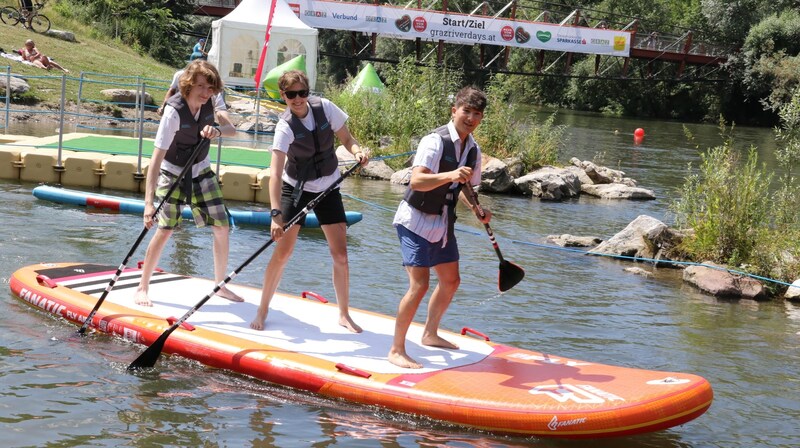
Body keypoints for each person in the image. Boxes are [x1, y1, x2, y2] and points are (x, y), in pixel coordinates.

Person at [249, 69, 368, 333]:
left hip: (328, 186)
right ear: (283, 96)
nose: (298, 99)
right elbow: (276, 174)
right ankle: (263, 308)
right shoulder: (284, 127)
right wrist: (275, 215)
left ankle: (344, 314)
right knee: (284, 253)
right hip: (296, 190)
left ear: (308, 92)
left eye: (302, 93)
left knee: (341, 254)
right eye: (291, 95)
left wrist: (358, 152)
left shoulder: (325, 108)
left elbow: (347, 139)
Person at [388, 86, 491, 369]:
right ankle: (396, 350)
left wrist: (477, 209)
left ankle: (430, 333)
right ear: (454, 111)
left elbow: (466, 187)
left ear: (481, 118)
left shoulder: (473, 150)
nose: (470, 117)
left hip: (443, 222)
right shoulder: (434, 141)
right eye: (465, 111)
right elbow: (417, 182)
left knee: (451, 281)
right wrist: (450, 175)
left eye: (476, 114)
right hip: (415, 220)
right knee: (419, 285)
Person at [133, 60, 243, 307]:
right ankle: (142, 287)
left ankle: (220, 286)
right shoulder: (173, 111)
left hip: (201, 170)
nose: (206, 93)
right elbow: (155, 160)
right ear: (189, 85)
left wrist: (217, 130)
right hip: (172, 172)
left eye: (211, 87)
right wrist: (148, 204)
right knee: (165, 229)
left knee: (221, 226)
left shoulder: (212, 102)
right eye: (201, 87)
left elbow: (231, 129)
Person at [158, 67, 224, 116]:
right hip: (180, 107)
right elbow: (171, 90)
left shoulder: (213, 84)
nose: (206, 92)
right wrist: (164, 107)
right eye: (200, 85)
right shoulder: (179, 75)